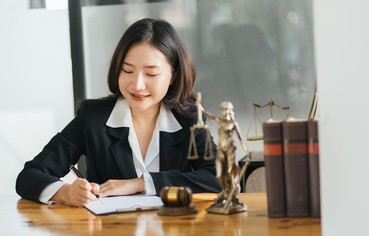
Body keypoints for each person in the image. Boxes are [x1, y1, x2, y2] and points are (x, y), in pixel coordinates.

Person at [16, 18, 221, 207]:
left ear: (173, 76)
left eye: (151, 73)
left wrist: (141, 183)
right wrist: (65, 192)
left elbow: (220, 178)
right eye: (128, 71)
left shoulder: (190, 120)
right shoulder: (93, 118)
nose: (137, 85)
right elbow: (29, 176)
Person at [195, 94, 250, 213]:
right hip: (221, 149)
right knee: (220, 173)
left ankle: (231, 195)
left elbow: (240, 138)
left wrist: (246, 150)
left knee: (230, 172)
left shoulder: (233, 124)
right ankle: (225, 193)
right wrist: (199, 106)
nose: (227, 112)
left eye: (229, 109)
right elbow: (208, 115)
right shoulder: (219, 120)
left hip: (230, 149)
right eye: (224, 109)